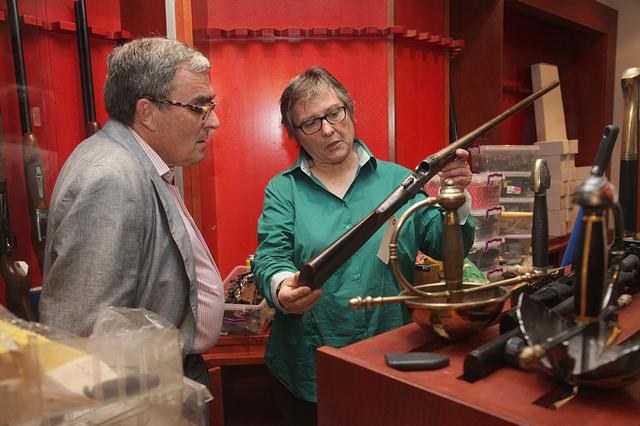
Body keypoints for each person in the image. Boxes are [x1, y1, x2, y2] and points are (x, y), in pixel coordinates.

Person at [253, 66, 475, 425]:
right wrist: (282, 288)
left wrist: (456, 196)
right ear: (294, 134)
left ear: (349, 110)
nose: (327, 129)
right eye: (310, 123)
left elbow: (445, 246)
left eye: (334, 113)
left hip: (390, 360)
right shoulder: (283, 190)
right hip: (309, 370)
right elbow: (270, 257)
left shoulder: (400, 181)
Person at [40, 37, 224, 389]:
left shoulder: (140, 163)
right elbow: (83, 336)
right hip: (141, 392)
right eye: (199, 107)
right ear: (147, 112)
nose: (213, 121)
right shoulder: (110, 178)